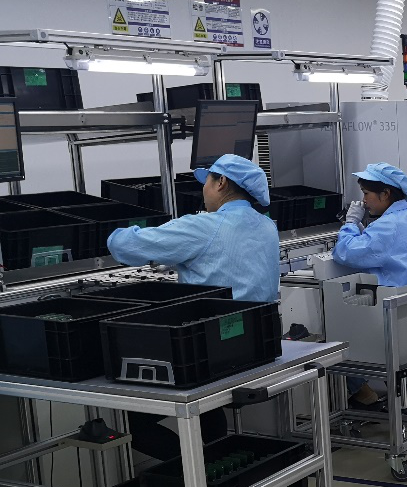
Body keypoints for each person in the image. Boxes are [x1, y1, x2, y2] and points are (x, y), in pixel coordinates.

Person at [107, 154, 278, 460]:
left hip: (209, 351)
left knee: (130, 421)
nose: (204, 190)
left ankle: (194, 470)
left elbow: (124, 246)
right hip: (254, 346)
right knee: (207, 404)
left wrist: (121, 229)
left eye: (207, 182)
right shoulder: (267, 226)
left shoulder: (203, 227)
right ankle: (215, 463)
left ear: (221, 183)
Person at [332, 162, 407, 410]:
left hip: (395, 324)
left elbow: (345, 252)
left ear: (385, 194)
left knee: (331, 334)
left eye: (366, 194)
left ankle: (361, 395)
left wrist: (350, 223)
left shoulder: (388, 225)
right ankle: (373, 395)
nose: (364, 201)